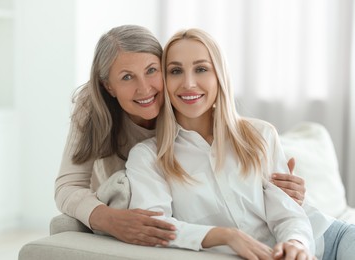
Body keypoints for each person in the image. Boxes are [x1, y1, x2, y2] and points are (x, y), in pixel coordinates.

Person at [54, 24, 308, 248]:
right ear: (109, 86)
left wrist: (280, 191)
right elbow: (68, 186)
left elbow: (280, 210)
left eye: (152, 70)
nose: (144, 88)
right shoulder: (100, 113)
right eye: (127, 77)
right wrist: (110, 219)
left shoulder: (191, 104)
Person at [125, 28, 355, 259]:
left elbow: (287, 213)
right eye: (175, 71)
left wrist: (296, 244)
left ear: (219, 76)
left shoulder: (260, 134)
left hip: (328, 239)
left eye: (201, 69)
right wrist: (226, 235)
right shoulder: (148, 157)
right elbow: (156, 229)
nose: (189, 83)